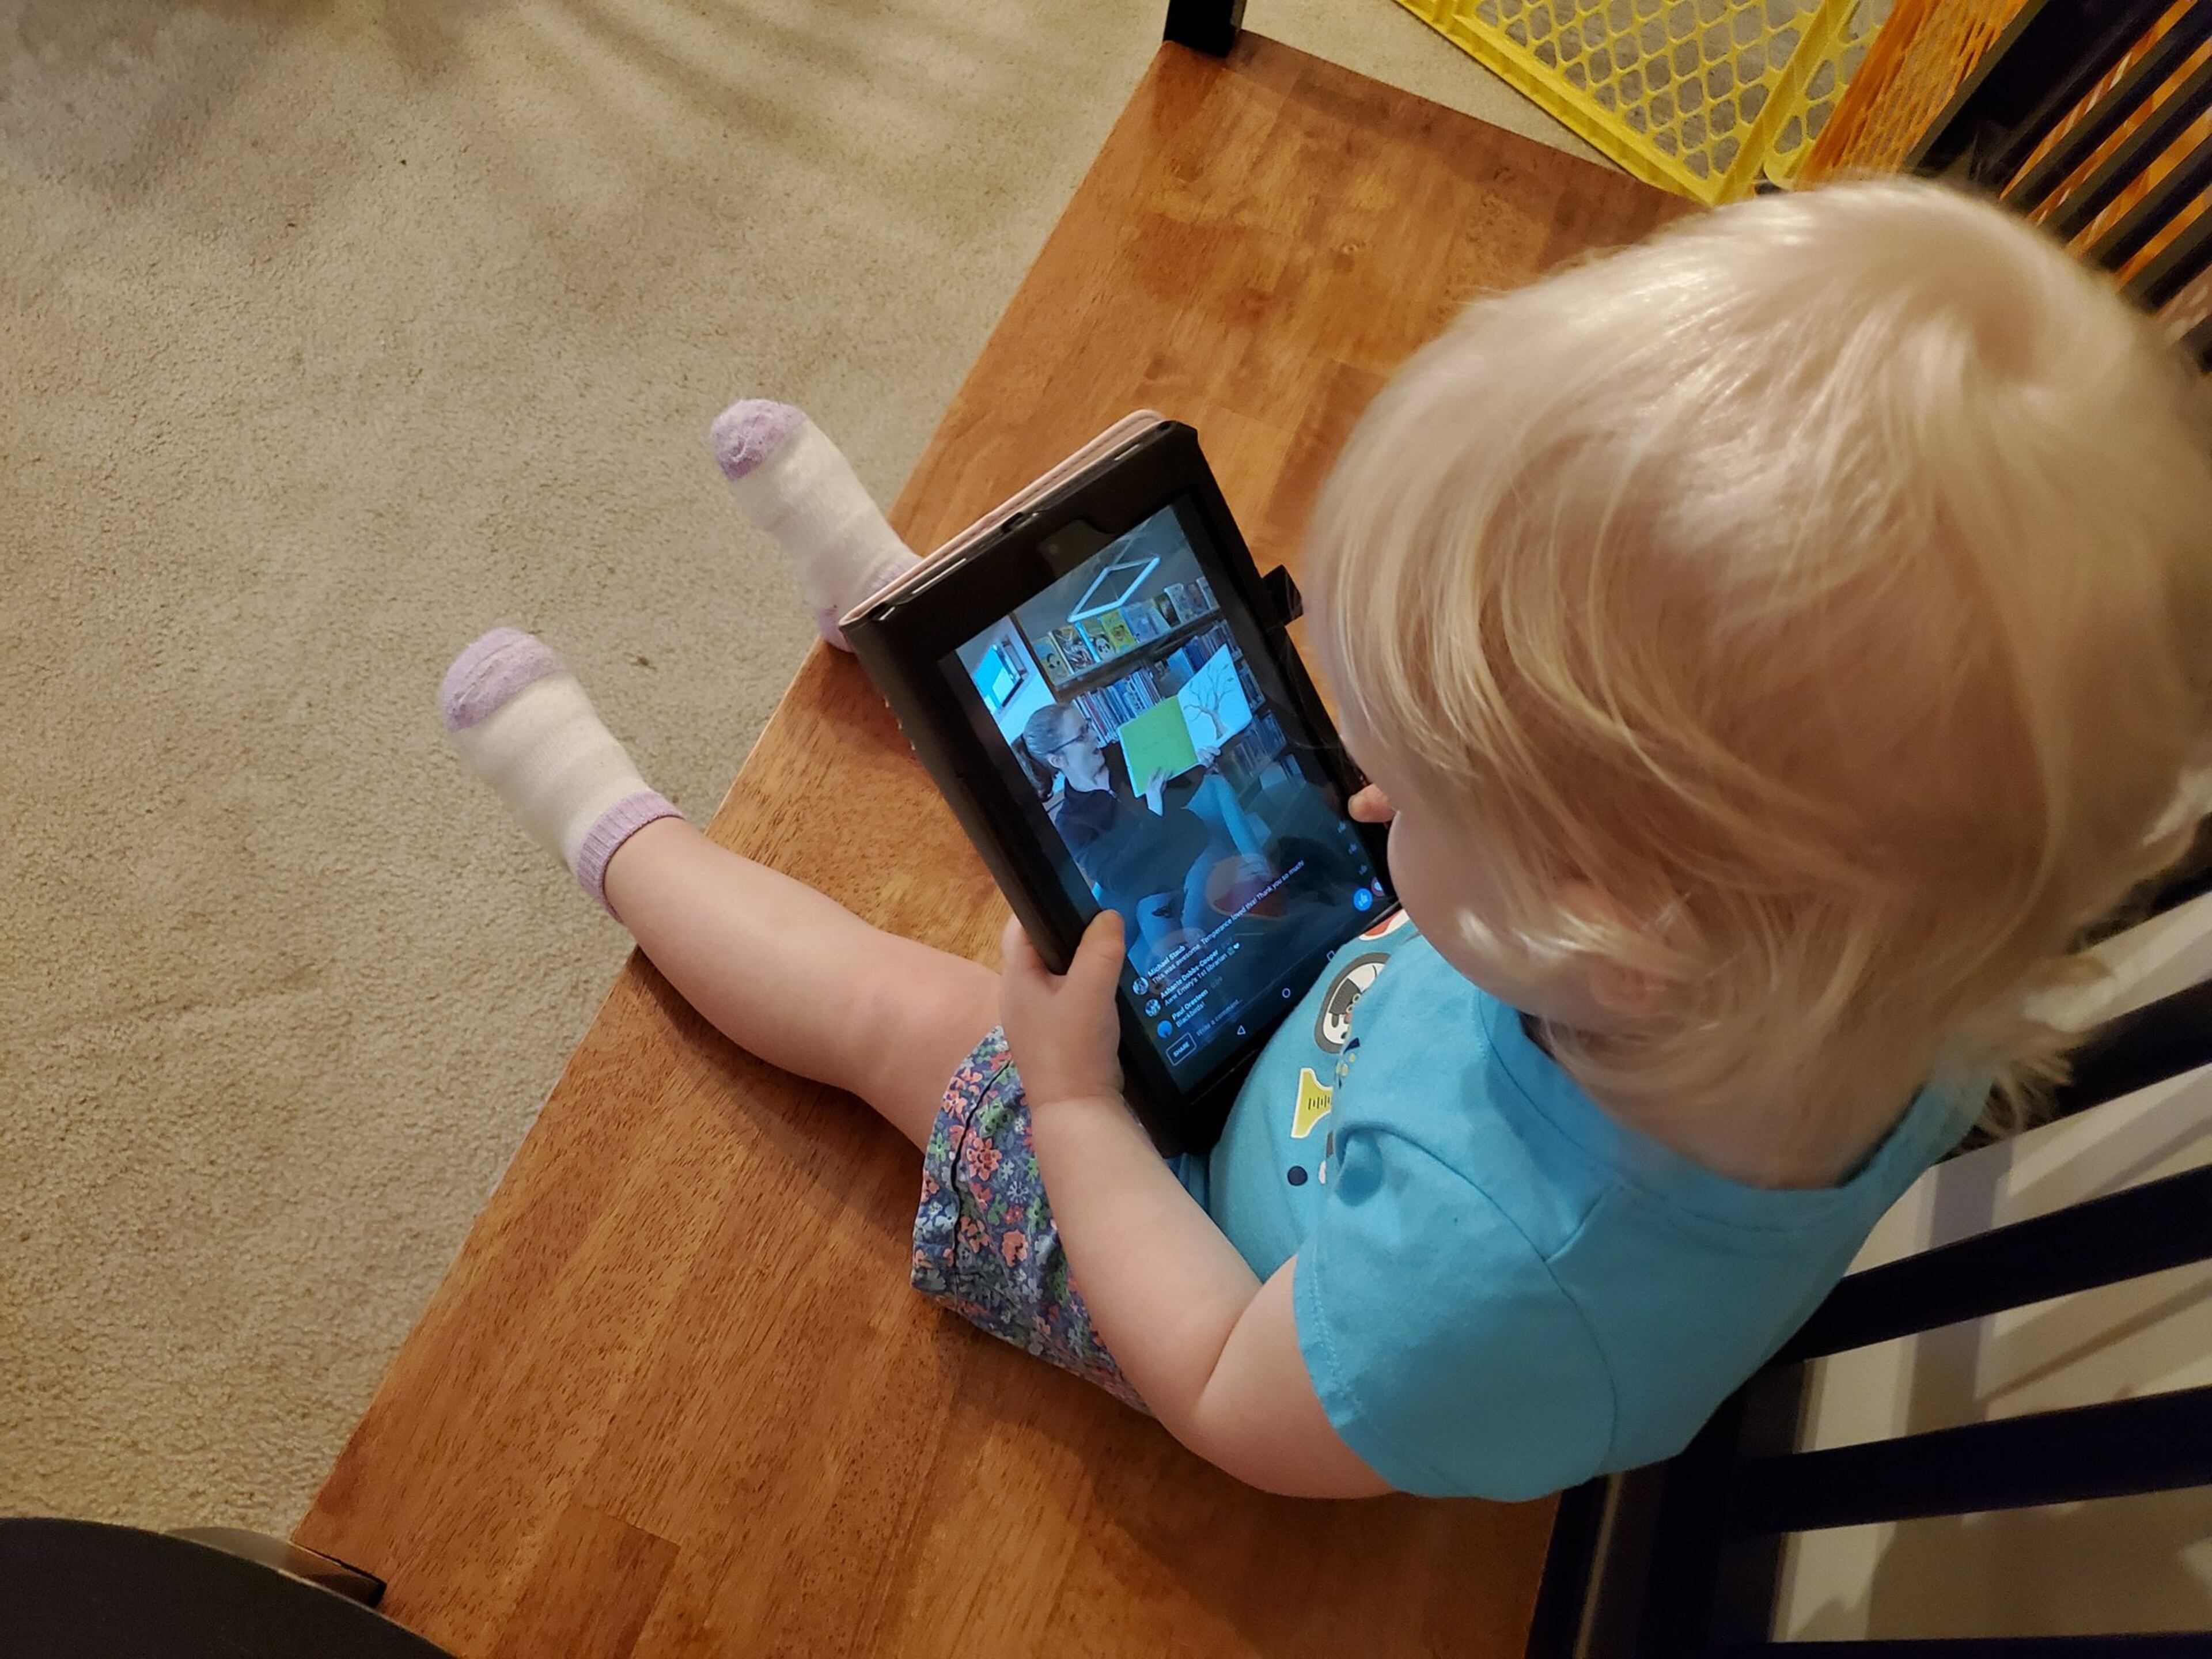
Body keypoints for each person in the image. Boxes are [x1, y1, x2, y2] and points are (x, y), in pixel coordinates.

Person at [440, 182, 2212, 1498]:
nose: (1365, 799)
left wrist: (1068, 1106)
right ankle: (913, 626)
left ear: (1600, 929)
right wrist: (1449, 871)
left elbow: (1219, 1381)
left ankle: (616, 832)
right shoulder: (1870, 961)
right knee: (1114, 771)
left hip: (1205, 1235)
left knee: (902, 1021)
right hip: (1375, 1019)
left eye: (1410, 790)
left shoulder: (1485, 1299)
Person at [1017, 699, 1259, 965]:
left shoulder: (1126, 753)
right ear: (1057, 759)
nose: (1094, 736)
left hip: (1194, 851)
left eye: (1088, 726)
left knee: (1197, 927)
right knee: (1172, 962)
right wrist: (1153, 814)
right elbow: (1114, 878)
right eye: (1082, 735)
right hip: (1151, 889)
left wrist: (1198, 765)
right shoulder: (1071, 822)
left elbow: (1178, 789)